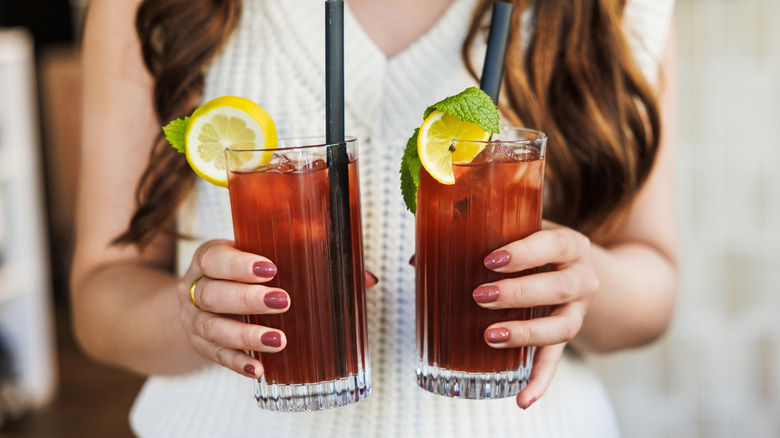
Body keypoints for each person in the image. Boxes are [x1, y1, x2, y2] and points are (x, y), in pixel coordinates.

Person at [71, 0, 678, 436]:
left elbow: (656, 288)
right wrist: (194, 316)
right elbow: (99, 292)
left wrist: (577, 281)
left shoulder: (620, 10)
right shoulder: (144, 9)